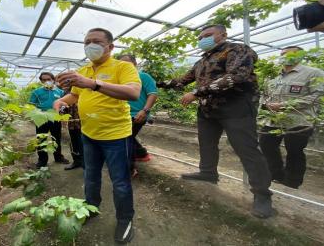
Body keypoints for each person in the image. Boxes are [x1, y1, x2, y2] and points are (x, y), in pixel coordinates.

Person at [157, 24, 273, 218]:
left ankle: (262, 194)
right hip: (208, 110)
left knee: (247, 149)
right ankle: (208, 173)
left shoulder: (237, 50)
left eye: (208, 35)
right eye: (201, 37)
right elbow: (181, 81)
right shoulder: (202, 61)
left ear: (223, 35)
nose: (203, 39)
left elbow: (236, 76)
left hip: (236, 108)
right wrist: (155, 82)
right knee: (207, 144)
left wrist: (197, 92)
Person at [54, 28, 141, 244]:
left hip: (116, 136)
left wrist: (93, 83)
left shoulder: (123, 67)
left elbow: (133, 92)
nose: (90, 45)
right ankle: (91, 207)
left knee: (120, 181)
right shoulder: (83, 70)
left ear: (110, 47)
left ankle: (125, 219)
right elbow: (75, 94)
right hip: (89, 134)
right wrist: (61, 101)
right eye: (87, 41)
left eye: (96, 41)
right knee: (90, 176)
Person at [259, 46, 324, 189]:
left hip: (300, 120)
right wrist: (265, 105)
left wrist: (284, 105)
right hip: (274, 119)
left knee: (294, 149)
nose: (283, 56)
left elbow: (317, 96)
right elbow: (265, 95)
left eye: (288, 53)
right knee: (266, 145)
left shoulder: (313, 73)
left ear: (300, 55)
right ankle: (276, 175)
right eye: (282, 53)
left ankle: (292, 181)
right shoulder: (274, 77)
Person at [118, 54, 158, 177]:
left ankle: (129, 169)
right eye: (121, 63)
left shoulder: (143, 76)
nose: (123, 65)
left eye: (127, 62)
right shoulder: (120, 79)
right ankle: (141, 154)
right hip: (121, 114)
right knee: (127, 137)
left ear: (135, 64)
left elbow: (153, 94)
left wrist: (144, 111)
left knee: (124, 140)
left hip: (138, 114)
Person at [29, 72, 70, 168]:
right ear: (41, 81)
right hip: (41, 118)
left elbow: (63, 105)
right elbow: (30, 105)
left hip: (55, 118)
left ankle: (58, 157)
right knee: (41, 139)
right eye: (44, 80)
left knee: (56, 138)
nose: (46, 81)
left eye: (49, 79)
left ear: (53, 80)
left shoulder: (60, 92)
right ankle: (42, 161)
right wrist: (35, 114)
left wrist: (62, 115)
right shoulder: (36, 92)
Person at [62, 85, 84, 170]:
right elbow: (63, 108)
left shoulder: (83, 90)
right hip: (71, 123)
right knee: (73, 143)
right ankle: (76, 161)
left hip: (83, 123)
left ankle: (85, 163)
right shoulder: (66, 93)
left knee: (84, 143)